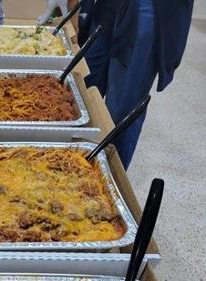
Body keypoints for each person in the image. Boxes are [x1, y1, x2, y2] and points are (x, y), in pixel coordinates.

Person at [70, 0, 194, 169]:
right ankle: (67, 161)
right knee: (83, 84)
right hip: (108, 6)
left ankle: (107, 177)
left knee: (121, 110)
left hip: (147, 8)